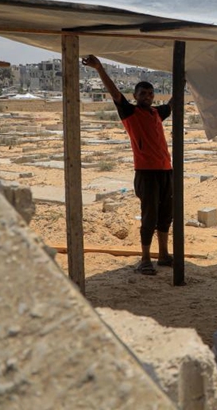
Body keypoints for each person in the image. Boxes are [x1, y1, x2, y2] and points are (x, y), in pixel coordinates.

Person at [82, 55, 173, 276]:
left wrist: (184, 80)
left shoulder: (156, 114)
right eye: (143, 94)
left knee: (165, 214)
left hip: (166, 170)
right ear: (135, 96)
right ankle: (144, 259)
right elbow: (114, 93)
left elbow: (172, 103)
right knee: (149, 215)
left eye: (150, 94)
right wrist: (99, 68)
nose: (148, 97)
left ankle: (163, 254)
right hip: (146, 171)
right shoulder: (130, 112)